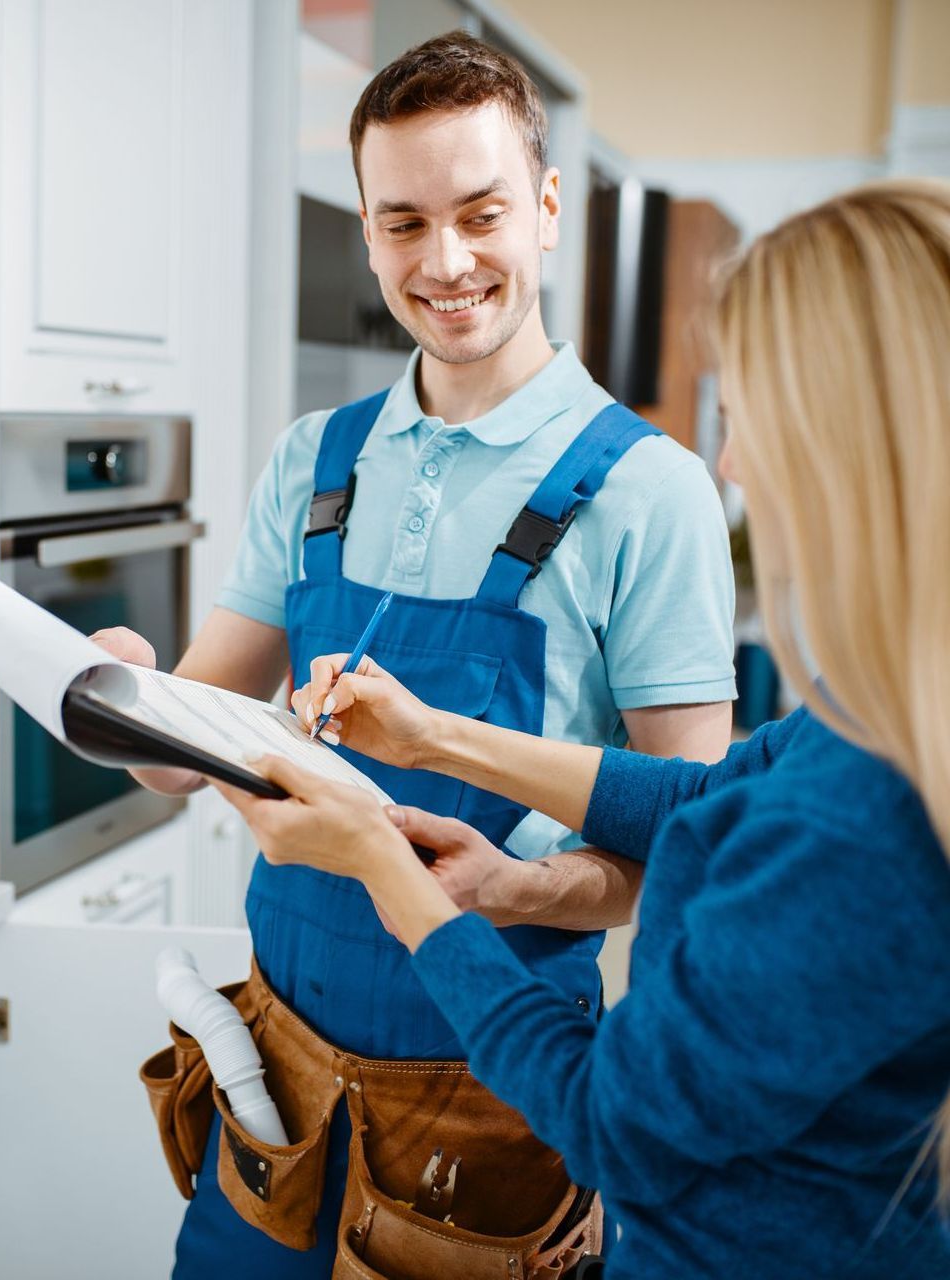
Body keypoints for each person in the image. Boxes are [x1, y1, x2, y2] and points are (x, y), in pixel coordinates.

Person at [216, 179, 950, 1278]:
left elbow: (612, 1116)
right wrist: (434, 740)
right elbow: (706, 800)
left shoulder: (857, 820)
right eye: (402, 220)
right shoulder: (879, 722)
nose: (737, 464)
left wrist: (382, 861)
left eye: (751, 417)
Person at [108, 32, 736, 1277]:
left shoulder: (648, 494)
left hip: (491, 1100)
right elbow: (185, 754)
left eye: (479, 213)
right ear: (364, 224)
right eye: (401, 222)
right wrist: (119, 700)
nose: (442, 263)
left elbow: (692, 856)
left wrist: (510, 887)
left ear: (546, 210)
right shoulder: (313, 458)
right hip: (268, 1079)